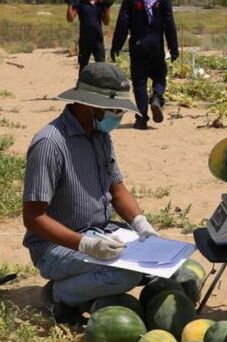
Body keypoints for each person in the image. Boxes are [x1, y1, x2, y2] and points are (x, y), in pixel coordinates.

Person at [22, 63, 159, 326]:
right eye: (115, 109)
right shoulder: (50, 144)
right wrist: (85, 245)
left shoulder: (100, 136)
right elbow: (34, 218)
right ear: (89, 104)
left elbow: (117, 189)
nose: (118, 115)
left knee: (156, 268)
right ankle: (58, 293)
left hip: (101, 233)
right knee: (126, 276)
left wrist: (142, 225)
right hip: (56, 247)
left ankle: (85, 292)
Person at [110, 0, 179, 130]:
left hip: (138, 45)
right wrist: (173, 48)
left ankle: (141, 118)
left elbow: (123, 23)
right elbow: (169, 23)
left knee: (139, 82)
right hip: (156, 45)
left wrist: (116, 46)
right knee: (159, 76)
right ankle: (157, 97)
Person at [67, 0, 113, 69]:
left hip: (98, 39)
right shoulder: (80, 3)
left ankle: (99, 80)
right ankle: (83, 80)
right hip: (84, 40)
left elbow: (106, 22)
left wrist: (107, 7)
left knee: (101, 65)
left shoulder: (100, 4)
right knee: (83, 65)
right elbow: (70, 19)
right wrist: (70, 4)